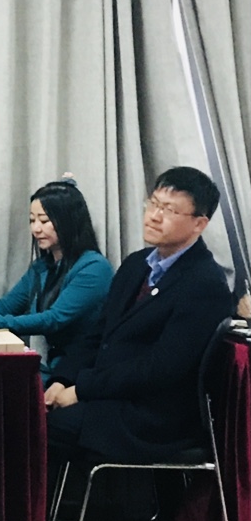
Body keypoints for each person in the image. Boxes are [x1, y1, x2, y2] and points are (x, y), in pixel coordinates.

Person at [45, 166, 232, 467]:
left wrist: (82, 390)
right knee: (27, 411)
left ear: (199, 224)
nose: (154, 216)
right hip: (112, 397)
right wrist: (62, 379)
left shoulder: (204, 284)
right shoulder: (136, 264)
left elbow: (161, 369)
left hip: (152, 417)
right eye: (153, 203)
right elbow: (97, 335)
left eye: (169, 210)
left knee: (38, 428)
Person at [0, 177, 114, 380]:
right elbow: (8, 306)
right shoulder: (42, 267)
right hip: (54, 366)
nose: (36, 229)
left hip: (82, 370)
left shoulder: (94, 268)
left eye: (44, 221)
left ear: (68, 221)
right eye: (32, 220)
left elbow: (53, 319)